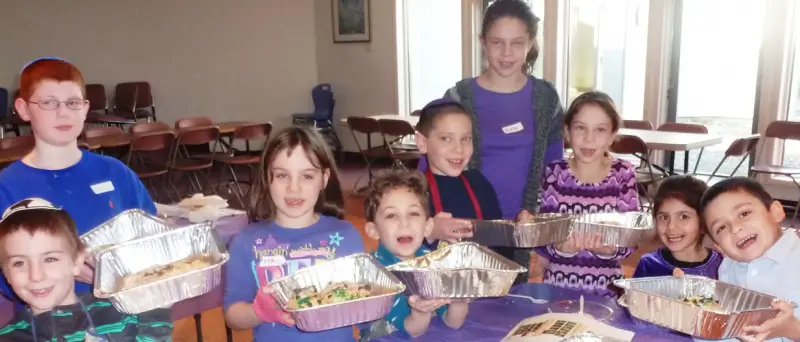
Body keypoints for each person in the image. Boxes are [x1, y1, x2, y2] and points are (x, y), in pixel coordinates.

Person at [423, 0, 565, 282]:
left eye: (517, 43)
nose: (507, 53)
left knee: (511, 310)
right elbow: (424, 171)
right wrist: (429, 225)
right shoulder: (458, 97)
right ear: (483, 42)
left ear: (531, 43)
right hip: (464, 231)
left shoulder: (547, 100)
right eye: (497, 42)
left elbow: (555, 175)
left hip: (523, 232)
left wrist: (546, 244)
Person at [0, 58, 155, 298]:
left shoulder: (115, 173)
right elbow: (5, 276)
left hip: (126, 315)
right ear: (23, 109)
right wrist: (64, 270)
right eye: (48, 103)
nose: (63, 113)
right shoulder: (7, 188)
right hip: (54, 325)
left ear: (84, 108)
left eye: (72, 103)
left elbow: (151, 237)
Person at [223, 126, 365, 342]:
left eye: (307, 176)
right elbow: (233, 316)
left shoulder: (347, 237)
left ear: (324, 179)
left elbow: (364, 311)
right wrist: (258, 311)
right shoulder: (245, 242)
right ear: (267, 178)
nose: (294, 188)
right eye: (282, 175)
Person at [0, 198, 172, 341]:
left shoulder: (121, 314)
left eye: (50, 259)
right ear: (6, 272)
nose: (36, 276)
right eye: (19, 263)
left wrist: (157, 308)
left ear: (76, 261)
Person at [534, 91, 638, 298]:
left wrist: (609, 250)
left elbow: (631, 238)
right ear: (567, 131)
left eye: (600, 130)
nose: (589, 138)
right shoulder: (555, 173)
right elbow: (544, 235)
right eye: (581, 127)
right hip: (558, 288)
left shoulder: (623, 174)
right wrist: (562, 248)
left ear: (612, 135)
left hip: (607, 291)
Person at [359, 170, 469, 340]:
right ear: (373, 231)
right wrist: (420, 311)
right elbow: (412, 331)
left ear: (427, 226)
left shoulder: (432, 261)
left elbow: (453, 323)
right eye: (391, 215)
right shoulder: (372, 272)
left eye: (413, 213)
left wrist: (459, 299)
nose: (404, 223)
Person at [696, 177, 799, 342]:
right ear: (719, 247)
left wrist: (791, 328)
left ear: (775, 212)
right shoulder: (728, 267)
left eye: (744, 214)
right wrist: (692, 301)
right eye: (721, 228)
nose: (735, 228)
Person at [414, 99, 501, 251]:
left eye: (465, 139)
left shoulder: (479, 184)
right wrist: (430, 232)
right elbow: (394, 246)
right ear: (422, 143)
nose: (459, 149)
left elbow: (499, 239)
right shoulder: (411, 191)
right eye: (446, 138)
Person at [633, 175, 722, 279]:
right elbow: (634, 295)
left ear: (703, 223)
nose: (670, 226)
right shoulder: (648, 264)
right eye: (664, 217)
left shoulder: (721, 266)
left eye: (683, 217)